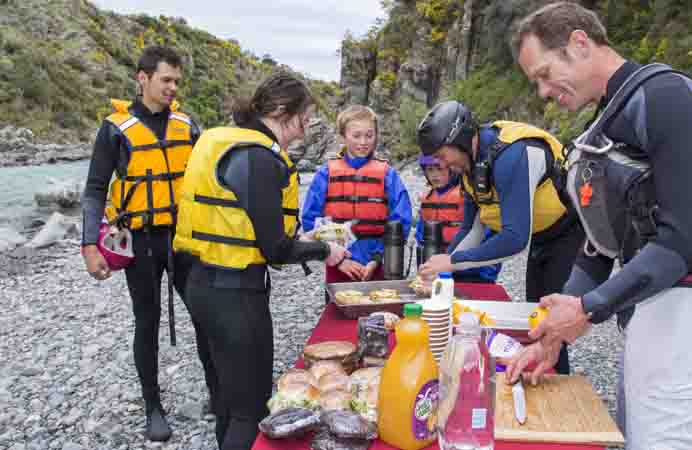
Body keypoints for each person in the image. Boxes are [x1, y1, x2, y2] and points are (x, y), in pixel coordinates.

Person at [506, 3, 692, 449]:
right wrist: (559, 322)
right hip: (652, 315)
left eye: (545, 74)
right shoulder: (615, 116)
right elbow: (603, 242)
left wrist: (588, 309)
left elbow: (685, 238)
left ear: (579, 42)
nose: (544, 92)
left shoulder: (666, 98)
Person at [172, 72, 349, 450]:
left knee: (224, 400)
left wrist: (300, 240)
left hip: (199, 285)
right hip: (235, 297)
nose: (303, 131)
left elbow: (247, 225)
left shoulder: (223, 142)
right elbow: (276, 250)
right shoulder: (258, 158)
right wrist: (324, 250)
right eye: (304, 118)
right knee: (249, 412)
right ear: (283, 111)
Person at [80, 45, 216, 441]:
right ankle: (153, 405)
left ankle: (216, 392)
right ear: (143, 78)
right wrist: (90, 247)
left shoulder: (187, 126)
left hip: (184, 236)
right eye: (166, 80)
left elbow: (211, 176)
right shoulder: (114, 129)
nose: (173, 87)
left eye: (177, 81)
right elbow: (93, 190)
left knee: (206, 314)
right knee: (147, 320)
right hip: (138, 240)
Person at [417, 100, 585, 374]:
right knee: (537, 319)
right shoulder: (468, 167)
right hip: (541, 236)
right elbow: (472, 229)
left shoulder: (512, 155)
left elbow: (515, 239)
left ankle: (559, 387)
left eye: (442, 154)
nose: (440, 163)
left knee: (552, 325)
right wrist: (444, 263)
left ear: (460, 139)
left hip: (570, 231)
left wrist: (454, 262)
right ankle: (538, 375)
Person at [302, 105, 412, 286]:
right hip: (338, 262)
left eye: (369, 135)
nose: (363, 142)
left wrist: (377, 258)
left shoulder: (388, 174)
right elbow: (310, 221)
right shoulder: (326, 173)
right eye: (356, 135)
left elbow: (402, 221)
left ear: (376, 136)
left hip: (377, 263)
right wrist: (339, 260)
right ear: (343, 137)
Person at [415, 154, 500, 283]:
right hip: (440, 270)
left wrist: (487, 271)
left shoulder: (466, 195)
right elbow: (421, 236)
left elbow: (485, 232)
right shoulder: (427, 198)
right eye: (430, 170)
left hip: (471, 270)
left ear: (452, 170)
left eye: (439, 169)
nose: (434, 175)